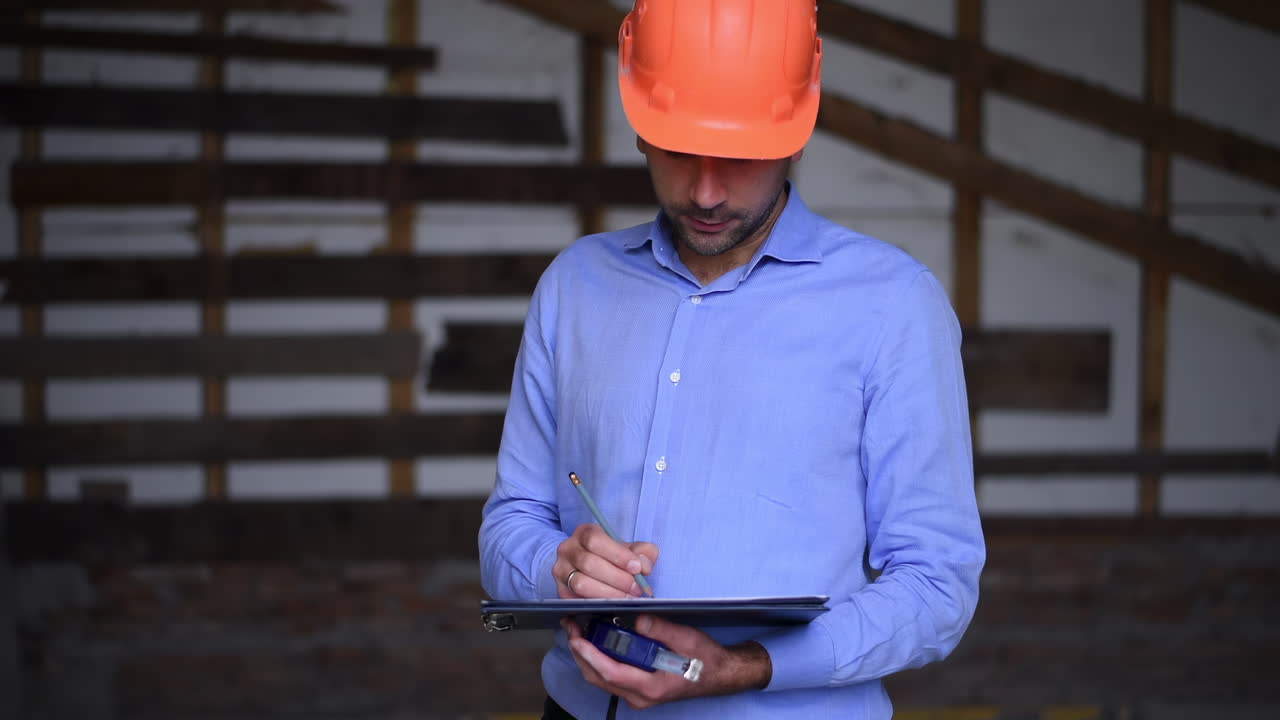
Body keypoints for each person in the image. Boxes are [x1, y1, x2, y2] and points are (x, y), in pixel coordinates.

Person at [479, 1, 985, 717]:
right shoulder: (576, 287)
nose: (707, 193)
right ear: (640, 125)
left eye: (741, 158)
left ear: (797, 132)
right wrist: (554, 566)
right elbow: (511, 523)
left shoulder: (893, 305)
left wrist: (746, 667)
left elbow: (938, 587)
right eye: (680, 150)